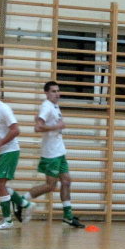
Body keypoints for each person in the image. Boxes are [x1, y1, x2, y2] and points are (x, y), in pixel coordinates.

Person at [14, 81, 85, 228]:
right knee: (50, 186)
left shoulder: (53, 105)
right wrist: (56, 126)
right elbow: (38, 127)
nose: (57, 94)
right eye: (53, 91)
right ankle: (21, 201)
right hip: (51, 153)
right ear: (46, 93)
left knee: (66, 181)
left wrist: (47, 122)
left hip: (59, 151)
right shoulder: (47, 105)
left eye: (58, 91)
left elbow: (39, 119)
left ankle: (68, 217)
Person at [0, 80, 35, 230]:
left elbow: (15, 130)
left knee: (0, 185)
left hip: (9, 150)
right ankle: (25, 204)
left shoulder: (3, 109)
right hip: (0, 151)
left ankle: (8, 221)